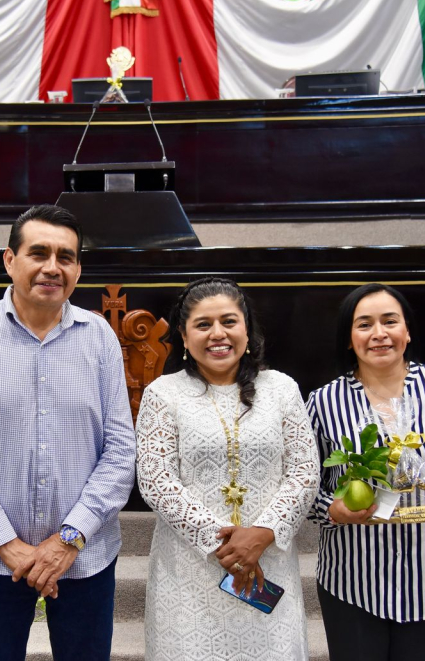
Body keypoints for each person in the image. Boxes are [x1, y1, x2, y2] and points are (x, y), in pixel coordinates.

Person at [0, 205, 136, 661]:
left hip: (84, 555)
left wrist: (68, 540)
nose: (52, 267)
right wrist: (6, 542)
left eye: (66, 257)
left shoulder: (99, 335)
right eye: (38, 253)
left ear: (78, 269)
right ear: (10, 260)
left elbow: (121, 450)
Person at [307, 283, 425, 661]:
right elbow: (304, 481)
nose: (379, 333)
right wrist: (331, 508)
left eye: (390, 321)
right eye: (364, 324)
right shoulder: (324, 402)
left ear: (407, 331)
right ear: (349, 339)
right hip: (352, 580)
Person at [136, 277, 319, 661]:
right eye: (203, 324)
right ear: (184, 337)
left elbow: (304, 471)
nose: (217, 333)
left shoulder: (281, 389)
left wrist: (263, 532)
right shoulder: (162, 394)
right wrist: (223, 542)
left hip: (268, 559)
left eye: (229, 321)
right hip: (190, 572)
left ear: (247, 329)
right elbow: (156, 480)